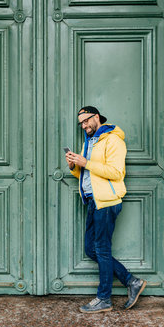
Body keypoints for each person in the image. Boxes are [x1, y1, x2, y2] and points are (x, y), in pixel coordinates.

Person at [65, 106, 146, 313]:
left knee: (101, 249)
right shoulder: (90, 142)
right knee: (92, 249)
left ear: (97, 118)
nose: (84, 126)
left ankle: (104, 299)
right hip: (93, 201)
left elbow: (116, 173)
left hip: (108, 202)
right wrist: (75, 166)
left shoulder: (113, 140)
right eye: (81, 123)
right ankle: (131, 281)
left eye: (86, 121)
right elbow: (85, 175)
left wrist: (87, 163)